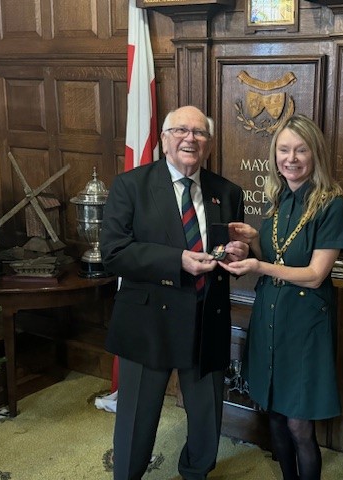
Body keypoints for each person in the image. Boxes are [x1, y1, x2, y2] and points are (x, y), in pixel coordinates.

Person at [100, 105, 249, 480]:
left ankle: (196, 472)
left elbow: (230, 246)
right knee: (137, 418)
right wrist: (176, 261)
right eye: (181, 130)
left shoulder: (227, 192)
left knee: (205, 416)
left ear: (209, 144)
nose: (190, 138)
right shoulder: (130, 185)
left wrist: (240, 252)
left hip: (206, 317)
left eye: (199, 133)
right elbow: (114, 253)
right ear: (164, 139)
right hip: (149, 319)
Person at [220, 114, 343, 480]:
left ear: (315, 154)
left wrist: (258, 267)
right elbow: (277, 257)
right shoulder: (279, 198)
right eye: (283, 149)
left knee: (298, 426)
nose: (290, 158)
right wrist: (253, 240)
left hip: (304, 327)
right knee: (274, 415)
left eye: (300, 150)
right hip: (269, 318)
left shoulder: (331, 204)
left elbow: (314, 274)